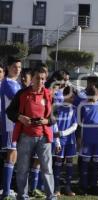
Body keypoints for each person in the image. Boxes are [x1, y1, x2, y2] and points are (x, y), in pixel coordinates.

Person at [6, 66, 56, 200]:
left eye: (43, 79)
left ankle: (51, 196)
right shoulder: (22, 94)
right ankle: (22, 196)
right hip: (25, 136)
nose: (40, 81)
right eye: (38, 78)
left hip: (43, 137)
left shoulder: (49, 94)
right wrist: (20, 117)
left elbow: (53, 117)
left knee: (47, 169)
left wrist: (46, 121)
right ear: (32, 79)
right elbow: (10, 112)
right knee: (22, 169)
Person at [78, 78, 98, 195]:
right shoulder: (82, 105)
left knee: (96, 162)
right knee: (85, 162)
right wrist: (79, 137)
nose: (93, 96)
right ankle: (83, 185)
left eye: (95, 94)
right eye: (90, 94)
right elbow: (78, 123)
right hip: (86, 139)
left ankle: (94, 185)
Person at [0, 57, 22, 200]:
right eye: (15, 66)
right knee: (11, 155)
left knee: (12, 156)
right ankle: (6, 192)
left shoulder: (15, 83)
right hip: (9, 124)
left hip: (15, 124)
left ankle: (7, 189)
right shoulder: (7, 83)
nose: (17, 69)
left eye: (19, 67)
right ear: (8, 67)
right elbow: (18, 101)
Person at [53, 86, 78, 196]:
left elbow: (75, 126)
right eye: (71, 97)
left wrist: (63, 133)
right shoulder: (57, 108)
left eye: (73, 97)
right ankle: (56, 187)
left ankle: (68, 187)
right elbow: (54, 125)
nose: (72, 99)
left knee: (69, 164)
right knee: (58, 164)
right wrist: (57, 140)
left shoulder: (74, 109)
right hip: (59, 141)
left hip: (70, 142)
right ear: (64, 95)